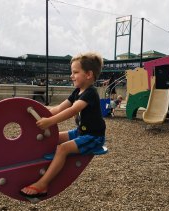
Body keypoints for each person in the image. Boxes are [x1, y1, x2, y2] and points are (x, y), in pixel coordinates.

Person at [20, 52, 106, 198]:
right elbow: (59, 109)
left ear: (88, 74)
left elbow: (73, 110)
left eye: (75, 72)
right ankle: (35, 165)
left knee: (62, 149)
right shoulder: (77, 91)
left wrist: (50, 121)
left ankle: (43, 184)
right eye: (71, 72)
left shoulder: (91, 93)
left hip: (94, 137)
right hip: (81, 132)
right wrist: (43, 115)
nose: (71, 76)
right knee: (52, 138)